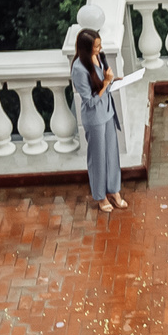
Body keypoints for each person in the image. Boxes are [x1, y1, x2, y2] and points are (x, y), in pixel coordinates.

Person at [68, 26, 127, 211]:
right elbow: (90, 101)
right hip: (95, 118)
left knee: (111, 153)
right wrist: (107, 83)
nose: (99, 49)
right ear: (85, 48)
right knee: (98, 158)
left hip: (108, 112)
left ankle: (114, 190)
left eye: (99, 45)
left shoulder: (100, 57)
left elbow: (102, 83)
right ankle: (101, 196)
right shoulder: (79, 69)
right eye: (96, 47)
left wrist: (113, 80)